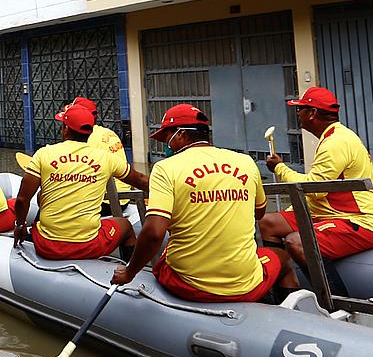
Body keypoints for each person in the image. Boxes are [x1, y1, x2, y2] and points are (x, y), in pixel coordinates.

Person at [111, 105, 284, 302]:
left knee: (165, 255)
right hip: (246, 283)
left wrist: (129, 272)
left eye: (167, 138)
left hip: (188, 284)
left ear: (181, 134)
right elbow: (259, 212)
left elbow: (154, 233)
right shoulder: (245, 162)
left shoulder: (166, 169)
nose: (167, 145)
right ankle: (279, 306)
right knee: (282, 258)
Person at [260, 87, 373, 276]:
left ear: (313, 113)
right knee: (267, 223)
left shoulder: (336, 142)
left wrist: (279, 167)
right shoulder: (332, 137)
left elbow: (313, 189)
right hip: (327, 213)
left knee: (297, 241)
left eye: (300, 108)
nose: (297, 113)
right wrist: (292, 212)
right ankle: (285, 284)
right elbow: (320, 190)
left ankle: (332, 302)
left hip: (356, 221)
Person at [13, 104, 150, 260]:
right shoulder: (105, 158)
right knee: (125, 226)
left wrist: (19, 225)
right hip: (89, 245)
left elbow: (22, 200)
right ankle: (129, 274)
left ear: (65, 129)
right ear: (90, 132)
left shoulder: (43, 154)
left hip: (47, 245)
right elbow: (140, 180)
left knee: (41, 199)